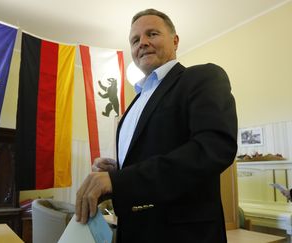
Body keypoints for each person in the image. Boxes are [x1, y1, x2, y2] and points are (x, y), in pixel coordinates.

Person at [75, 9, 237, 242]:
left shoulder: (203, 77)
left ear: (175, 40)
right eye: (135, 40)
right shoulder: (133, 104)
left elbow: (214, 149)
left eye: (152, 34)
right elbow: (146, 164)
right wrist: (116, 174)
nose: (143, 43)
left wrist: (119, 180)